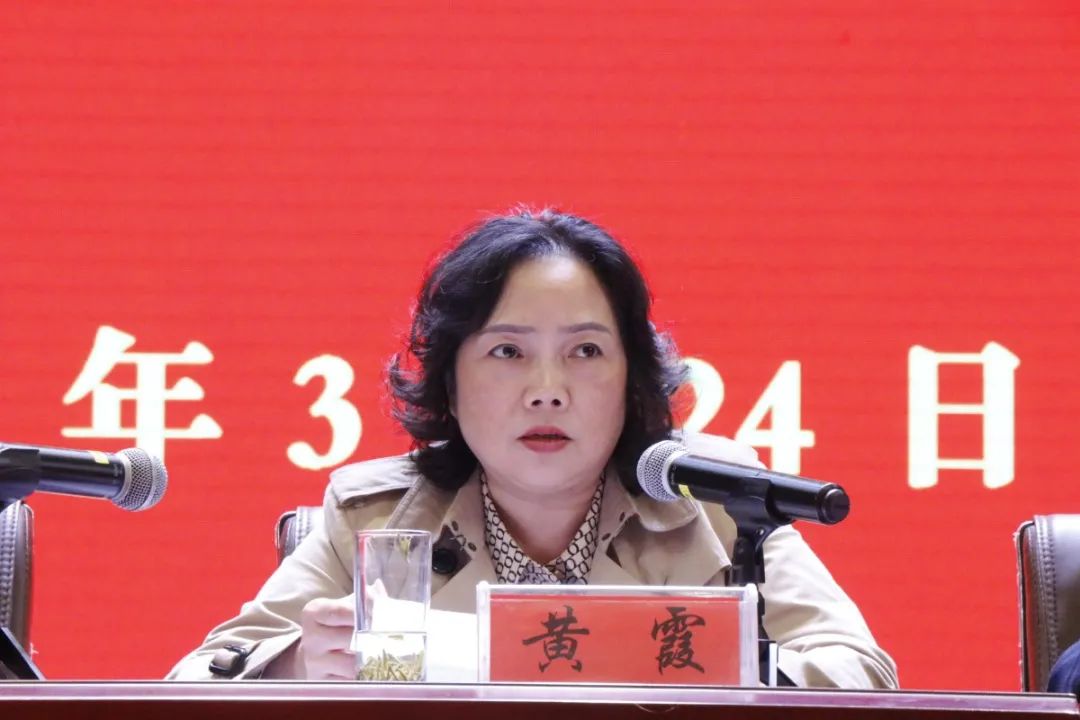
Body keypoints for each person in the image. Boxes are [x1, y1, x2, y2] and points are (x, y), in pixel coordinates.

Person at [168, 208, 898, 688]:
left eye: (585, 351)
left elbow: (862, 674)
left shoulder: (715, 501)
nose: (548, 391)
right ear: (450, 384)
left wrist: (733, 662)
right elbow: (190, 686)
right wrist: (296, 662)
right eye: (508, 352)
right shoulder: (378, 517)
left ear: (632, 379)